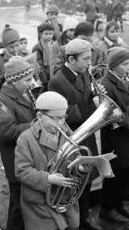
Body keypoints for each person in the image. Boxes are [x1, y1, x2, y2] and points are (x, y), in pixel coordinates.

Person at [48, 38, 106, 230]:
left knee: (87, 177)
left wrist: (96, 95)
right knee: (75, 179)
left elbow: (85, 96)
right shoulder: (57, 81)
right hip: (73, 138)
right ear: (71, 59)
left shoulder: (83, 72)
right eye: (85, 59)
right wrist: (92, 105)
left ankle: (85, 215)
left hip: (86, 133)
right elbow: (62, 114)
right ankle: (78, 220)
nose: (90, 63)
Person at [15, 91, 80, 230]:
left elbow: (76, 156)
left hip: (64, 197)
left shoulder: (67, 131)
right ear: (39, 116)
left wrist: (80, 167)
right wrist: (49, 179)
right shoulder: (25, 138)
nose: (61, 123)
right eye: (55, 118)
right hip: (39, 203)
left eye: (63, 117)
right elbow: (22, 171)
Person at [0, 56, 36, 230]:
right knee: (19, 207)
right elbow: (7, 133)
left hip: (25, 157)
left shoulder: (20, 94)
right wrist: (35, 124)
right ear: (13, 80)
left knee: (21, 204)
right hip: (15, 161)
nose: (31, 83)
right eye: (27, 79)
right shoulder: (2, 100)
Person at [100, 47, 129, 223]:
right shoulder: (107, 84)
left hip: (124, 136)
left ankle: (118, 205)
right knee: (115, 175)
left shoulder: (121, 79)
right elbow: (113, 114)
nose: (128, 67)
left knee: (124, 173)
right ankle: (107, 208)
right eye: (125, 64)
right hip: (115, 137)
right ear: (115, 66)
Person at [32, 23, 54, 89]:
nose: (49, 36)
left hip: (53, 73)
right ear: (41, 34)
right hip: (43, 77)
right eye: (46, 34)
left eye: (51, 34)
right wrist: (44, 81)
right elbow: (39, 66)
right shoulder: (37, 47)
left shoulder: (54, 45)